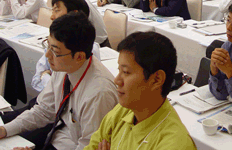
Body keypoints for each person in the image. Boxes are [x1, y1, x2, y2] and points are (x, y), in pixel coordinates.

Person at [0, 12, 118, 149]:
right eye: (48, 45)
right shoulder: (64, 67)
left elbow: (88, 146)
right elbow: (43, 111)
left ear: (79, 56)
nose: (47, 55)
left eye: (55, 51)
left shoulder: (99, 94)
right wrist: (4, 130)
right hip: (56, 135)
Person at [84, 32, 196, 150]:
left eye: (126, 72)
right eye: (119, 70)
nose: (117, 80)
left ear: (156, 79)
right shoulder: (123, 110)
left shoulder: (175, 144)